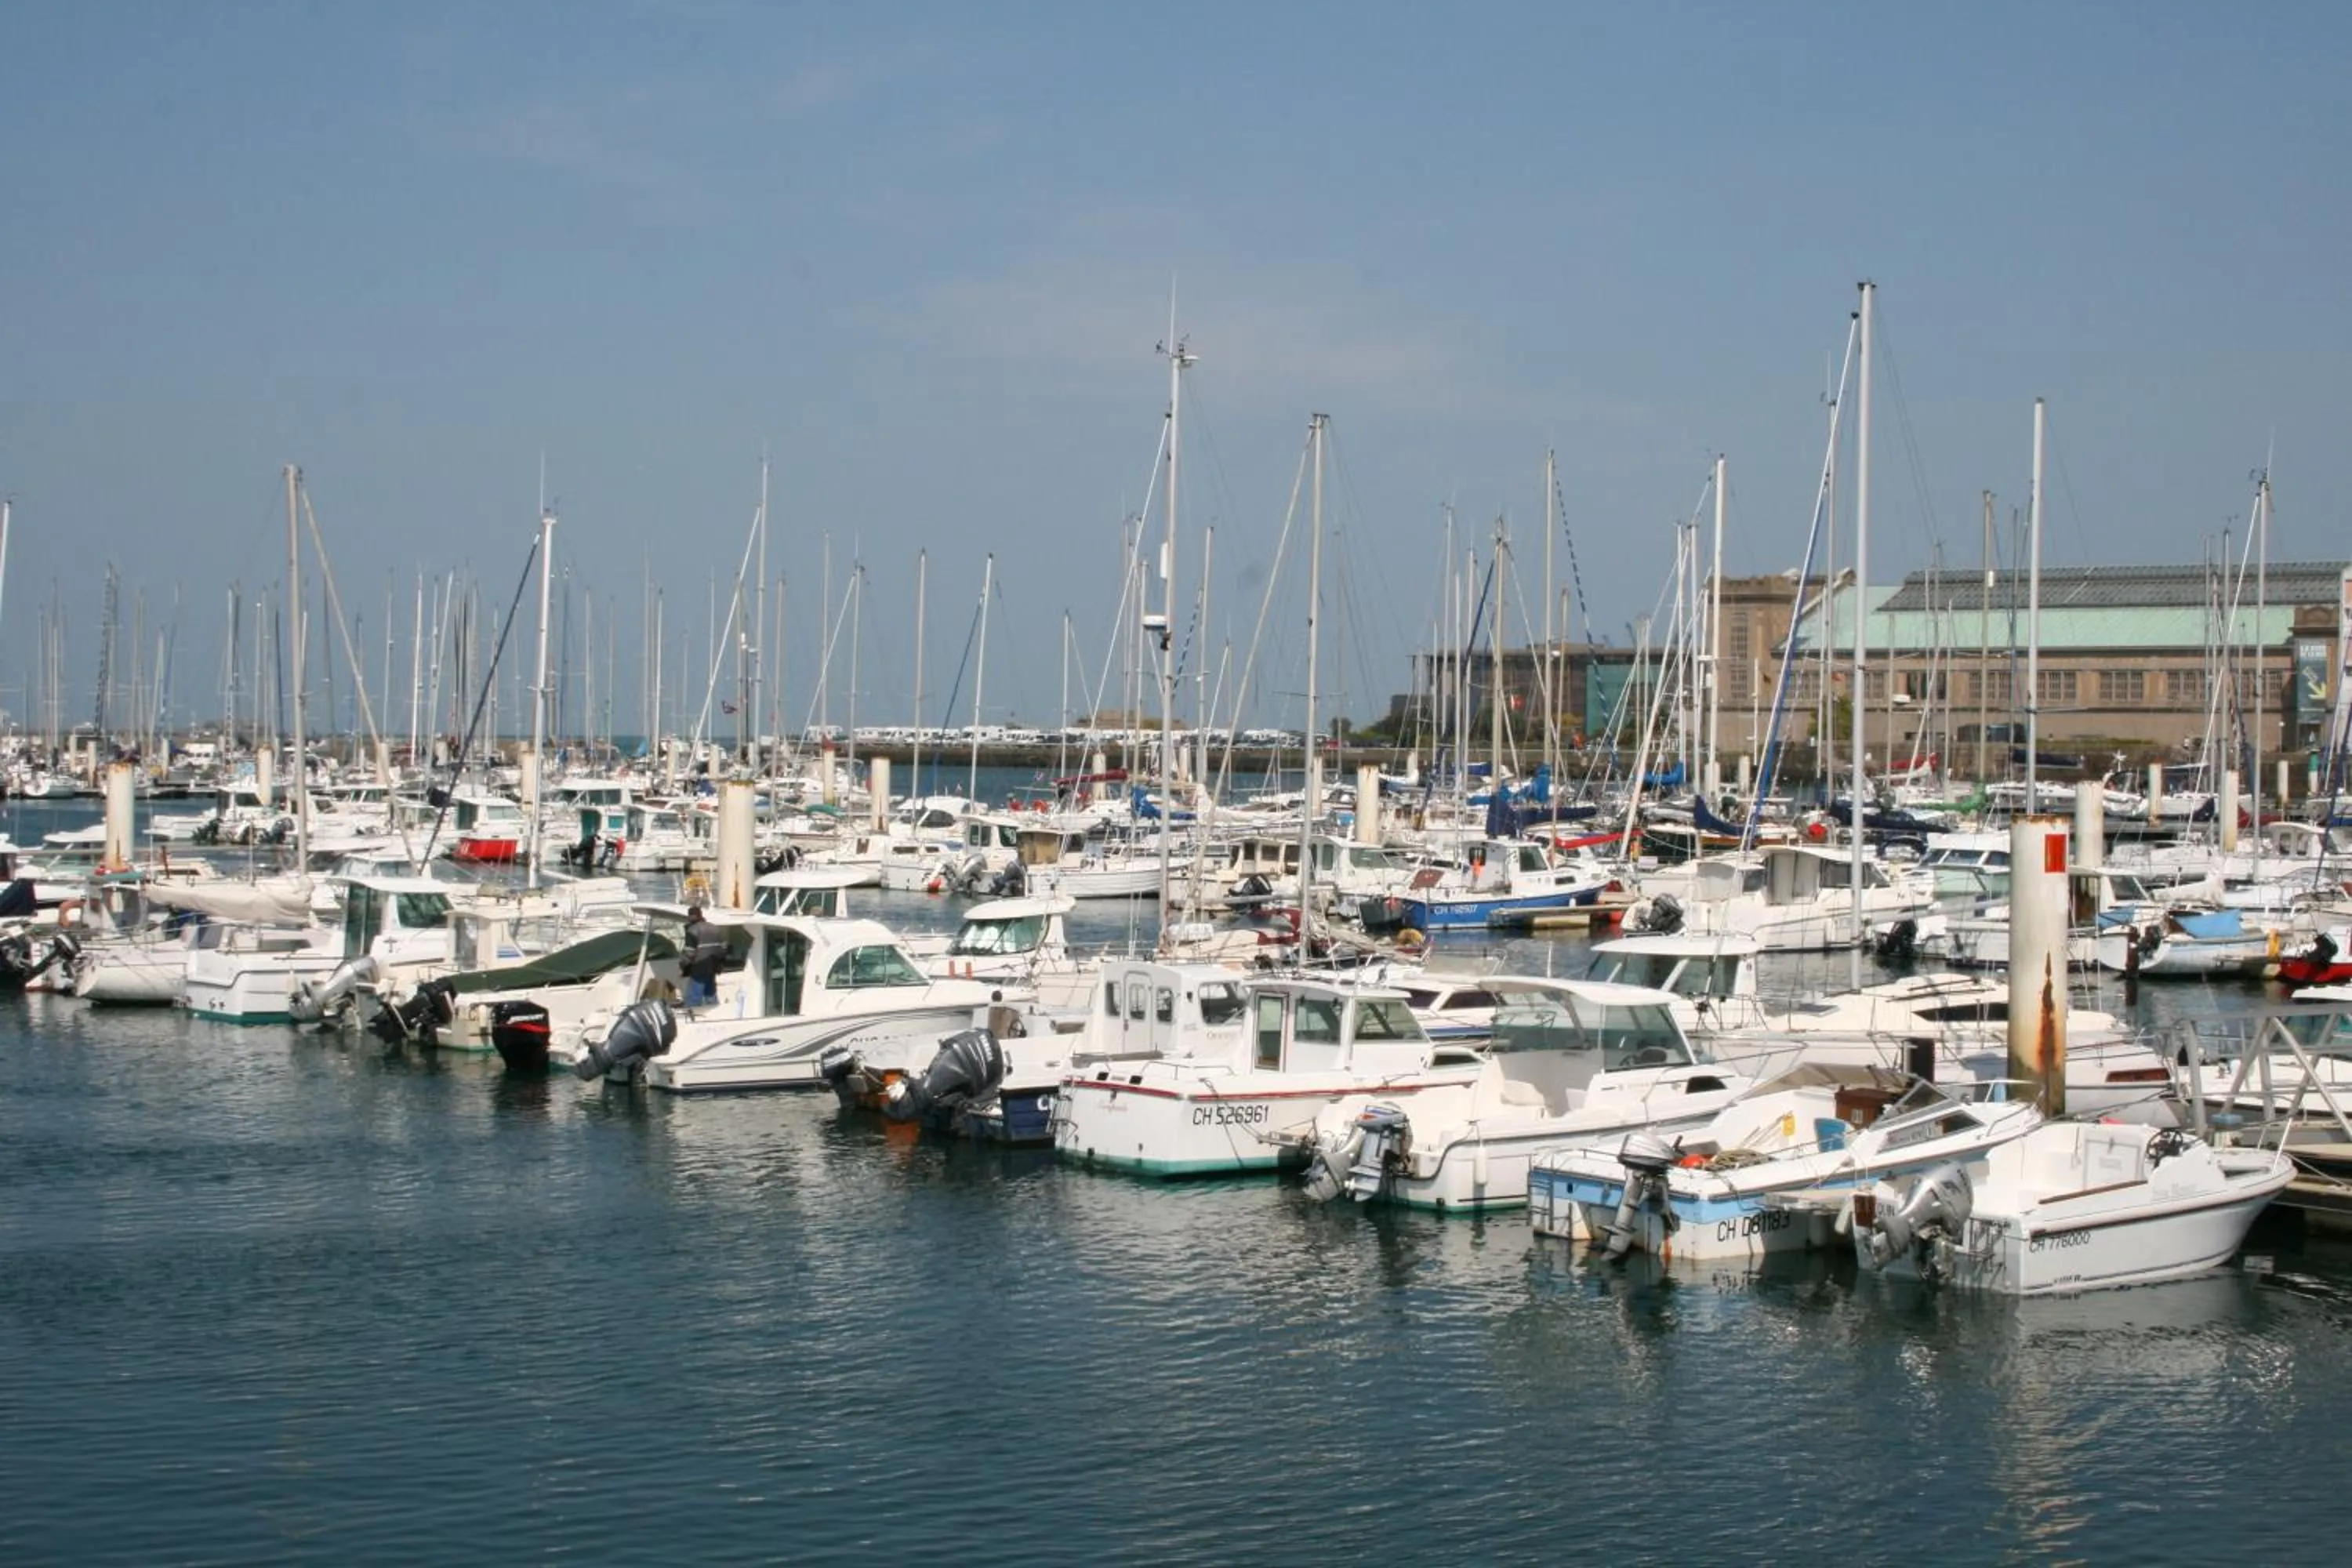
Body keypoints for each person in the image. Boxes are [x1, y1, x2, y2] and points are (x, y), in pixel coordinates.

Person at [681, 905, 724, 1008]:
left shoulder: (692, 930)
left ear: (690, 916)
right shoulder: (714, 928)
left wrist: (683, 965)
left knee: (694, 996)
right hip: (713, 966)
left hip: (699, 967)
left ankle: (690, 1017)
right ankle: (714, 1013)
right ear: (701, 915)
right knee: (710, 993)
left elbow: (690, 953)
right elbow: (722, 949)